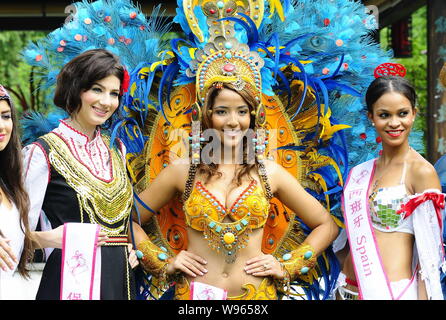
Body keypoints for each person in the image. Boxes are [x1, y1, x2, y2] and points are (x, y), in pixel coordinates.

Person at [132, 75, 339, 299]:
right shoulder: (183, 171)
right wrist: (164, 262)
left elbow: (326, 225)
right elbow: (128, 222)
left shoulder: (269, 173)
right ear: (207, 116)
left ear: (253, 116)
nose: (233, 121)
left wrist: (287, 267)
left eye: (241, 111)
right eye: (222, 111)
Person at [23, 49, 138, 300]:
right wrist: (50, 238)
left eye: (114, 93)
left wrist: (128, 246)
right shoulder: (43, 152)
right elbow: (15, 236)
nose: (106, 101)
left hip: (120, 281)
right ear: (75, 89)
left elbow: (123, 222)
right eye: (97, 89)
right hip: (70, 282)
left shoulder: (117, 148)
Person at [336, 74, 445, 300]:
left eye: (402, 114)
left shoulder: (421, 172)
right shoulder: (360, 173)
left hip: (392, 293)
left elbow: (429, 257)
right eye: (384, 115)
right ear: (371, 117)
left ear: (414, 114)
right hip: (345, 290)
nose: (394, 123)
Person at [0, 85, 34, 299]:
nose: (2, 126)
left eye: (5, 116)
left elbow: (13, 240)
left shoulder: (9, 183)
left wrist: (55, 239)